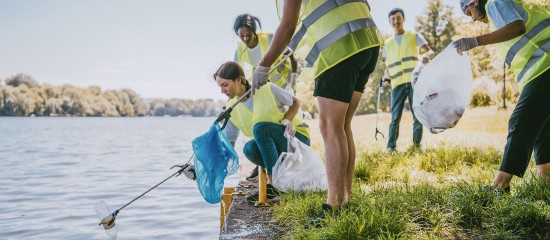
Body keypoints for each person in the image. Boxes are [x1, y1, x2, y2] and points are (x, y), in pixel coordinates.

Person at [250, 0, 382, 225]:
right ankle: (345, 199)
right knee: (342, 125)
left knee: (330, 126)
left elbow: (288, 24)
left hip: (340, 48)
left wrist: (264, 65)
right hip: (368, 42)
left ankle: (333, 205)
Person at [454, 0, 549, 192]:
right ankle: (546, 177)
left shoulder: (494, 3)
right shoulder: (499, 12)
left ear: (474, 1)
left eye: (469, 12)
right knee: (542, 126)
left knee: (520, 122)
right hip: (541, 68)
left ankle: (500, 184)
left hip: (545, 66)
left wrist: (475, 41)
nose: (473, 18)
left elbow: (517, 27)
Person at [184, 61, 311, 203]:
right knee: (249, 149)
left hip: (295, 140)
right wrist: (202, 168)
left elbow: (295, 102)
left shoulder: (266, 88)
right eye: (220, 86)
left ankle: (274, 186)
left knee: (260, 128)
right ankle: (281, 183)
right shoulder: (232, 108)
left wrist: (287, 120)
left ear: (239, 80)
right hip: (276, 150)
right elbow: (227, 148)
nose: (222, 91)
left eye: (225, 85)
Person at [382, 8, 435, 152]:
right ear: (389, 22)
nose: (395, 21)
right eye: (393, 19)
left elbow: (430, 51)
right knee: (394, 118)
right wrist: (385, 76)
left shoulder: (414, 35)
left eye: (398, 18)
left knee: (417, 116)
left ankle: (417, 146)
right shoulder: (387, 43)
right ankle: (391, 147)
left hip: (414, 82)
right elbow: (388, 65)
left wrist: (425, 57)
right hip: (397, 84)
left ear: (403, 19)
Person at [233, 14, 299, 92]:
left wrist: (293, 78)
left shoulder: (270, 39)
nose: (245, 38)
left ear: (254, 31)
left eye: (248, 35)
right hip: (267, 90)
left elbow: (291, 56)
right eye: (241, 35)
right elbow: (235, 76)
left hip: (286, 83)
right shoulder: (239, 51)